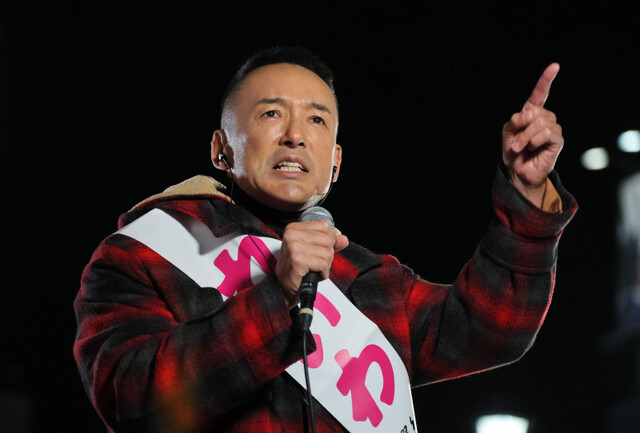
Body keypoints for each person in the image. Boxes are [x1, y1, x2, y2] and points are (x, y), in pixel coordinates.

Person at [74, 47, 577, 433]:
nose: (295, 135)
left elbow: (493, 328)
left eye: (316, 119)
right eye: (271, 114)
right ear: (221, 149)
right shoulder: (144, 253)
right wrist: (277, 299)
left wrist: (525, 192)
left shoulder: (371, 278)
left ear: (335, 162)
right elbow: (131, 400)